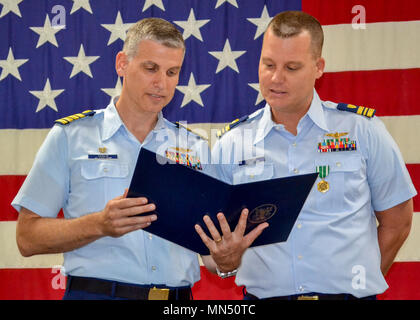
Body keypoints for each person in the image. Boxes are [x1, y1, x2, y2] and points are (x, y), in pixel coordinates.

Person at [12, 17, 263, 300]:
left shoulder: (195, 148)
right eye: (150, 68)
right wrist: (98, 224)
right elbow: (26, 237)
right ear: (122, 63)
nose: (161, 83)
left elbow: (211, 258)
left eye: (172, 72)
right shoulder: (71, 137)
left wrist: (228, 259)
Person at [195, 11, 416, 300]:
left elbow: (397, 221)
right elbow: (212, 247)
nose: (276, 78)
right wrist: (224, 262)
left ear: (318, 67)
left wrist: (359, 286)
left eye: (292, 67)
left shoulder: (362, 131)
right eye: (268, 64)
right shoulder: (232, 143)